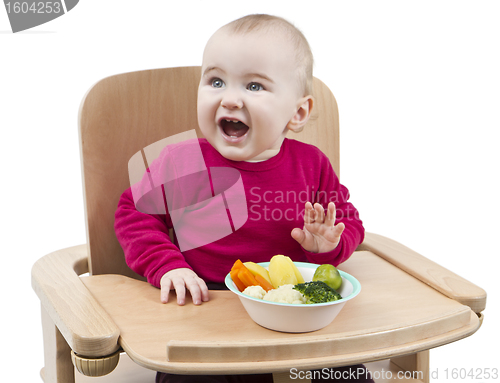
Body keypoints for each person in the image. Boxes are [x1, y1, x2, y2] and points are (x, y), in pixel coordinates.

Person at [115, 14, 372, 383]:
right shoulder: (183, 162)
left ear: (297, 113)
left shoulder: (312, 165)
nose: (230, 98)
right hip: (207, 310)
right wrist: (168, 265)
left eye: (254, 86)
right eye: (216, 81)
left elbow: (348, 223)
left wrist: (328, 244)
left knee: (348, 373)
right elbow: (133, 213)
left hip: (295, 312)